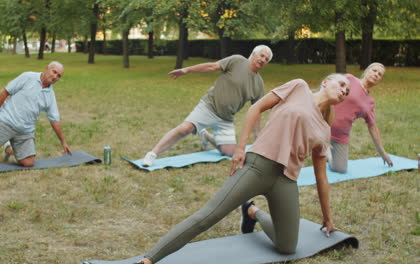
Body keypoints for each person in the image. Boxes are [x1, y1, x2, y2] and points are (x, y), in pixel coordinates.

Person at [131, 73, 351, 264]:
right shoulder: (299, 87)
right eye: (341, 85)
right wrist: (240, 149)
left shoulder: (324, 131)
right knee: (208, 216)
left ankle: (252, 212)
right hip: (258, 166)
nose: (344, 91)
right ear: (325, 82)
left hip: (286, 180)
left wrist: (328, 218)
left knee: (287, 247)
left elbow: (321, 177)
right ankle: (148, 259)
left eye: (347, 91)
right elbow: (256, 108)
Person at [141, 45, 273, 167]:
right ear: (254, 53)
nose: (263, 60)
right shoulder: (237, 61)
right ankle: (152, 154)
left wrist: (257, 132)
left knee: (230, 151)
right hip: (209, 107)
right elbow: (211, 67)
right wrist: (186, 70)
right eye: (261, 55)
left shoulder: (259, 84)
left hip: (226, 118)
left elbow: (257, 109)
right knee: (184, 128)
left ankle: (206, 136)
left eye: (266, 59)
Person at [329, 62, 393, 173]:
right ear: (366, 71)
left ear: (379, 80)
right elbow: (328, 87)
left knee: (341, 169)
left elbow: (372, 127)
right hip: (323, 124)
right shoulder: (349, 79)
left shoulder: (370, 102)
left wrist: (383, 153)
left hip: (340, 136)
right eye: (374, 70)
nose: (376, 74)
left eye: (380, 74)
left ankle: (327, 154)